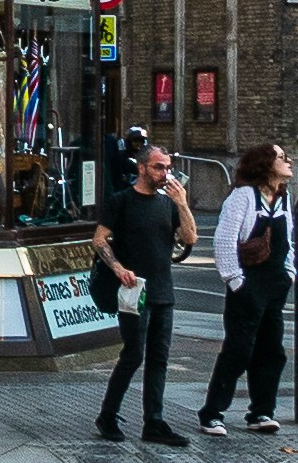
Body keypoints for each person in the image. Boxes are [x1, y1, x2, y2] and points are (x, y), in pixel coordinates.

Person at [95, 138, 199, 444]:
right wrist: (117, 268)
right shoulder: (122, 201)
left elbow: (190, 237)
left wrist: (181, 202)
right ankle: (108, 415)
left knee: (159, 358)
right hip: (133, 290)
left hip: (163, 291)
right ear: (141, 168)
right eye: (157, 166)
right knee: (133, 355)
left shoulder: (168, 203)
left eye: (167, 167)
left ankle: (154, 421)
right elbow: (100, 239)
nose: (164, 172)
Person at [199, 141, 292, 436]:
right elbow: (224, 241)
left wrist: (289, 272)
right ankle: (212, 413)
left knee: (272, 351)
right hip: (248, 287)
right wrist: (236, 281)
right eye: (281, 157)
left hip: (275, 286)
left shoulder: (283, 198)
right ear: (265, 165)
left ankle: (261, 413)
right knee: (238, 350)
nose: (287, 160)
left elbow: (289, 240)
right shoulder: (243, 197)